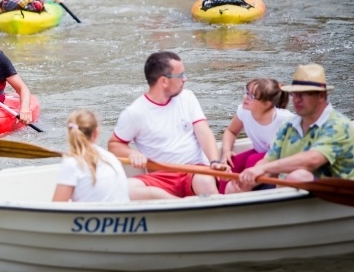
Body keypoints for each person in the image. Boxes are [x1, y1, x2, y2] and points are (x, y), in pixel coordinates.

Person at [107, 51, 221, 199]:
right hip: (160, 177)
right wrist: (133, 154)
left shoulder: (188, 97)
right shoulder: (134, 113)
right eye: (180, 75)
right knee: (125, 188)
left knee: (205, 181)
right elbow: (114, 144)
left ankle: (184, 208)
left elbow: (203, 131)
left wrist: (214, 161)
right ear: (164, 81)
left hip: (194, 171)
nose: (185, 79)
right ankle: (179, 205)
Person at [227, 64, 354, 193]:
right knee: (235, 186)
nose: (297, 100)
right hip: (284, 185)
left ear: (321, 96)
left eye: (304, 94)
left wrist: (264, 169)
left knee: (298, 176)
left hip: (333, 189)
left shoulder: (338, 125)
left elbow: (313, 160)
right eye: (294, 94)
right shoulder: (288, 125)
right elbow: (269, 159)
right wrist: (252, 174)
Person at [216, 78, 295, 193]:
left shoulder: (285, 120)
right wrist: (227, 151)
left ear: (266, 104)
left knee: (253, 160)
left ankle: (244, 194)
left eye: (251, 96)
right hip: (258, 152)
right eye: (246, 92)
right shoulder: (244, 111)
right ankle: (220, 197)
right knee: (229, 164)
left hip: (277, 158)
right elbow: (231, 131)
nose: (245, 97)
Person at [52, 110, 130, 202]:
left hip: (93, 216)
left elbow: (57, 205)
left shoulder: (71, 162)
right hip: (122, 215)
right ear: (96, 132)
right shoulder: (111, 157)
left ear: (69, 133)